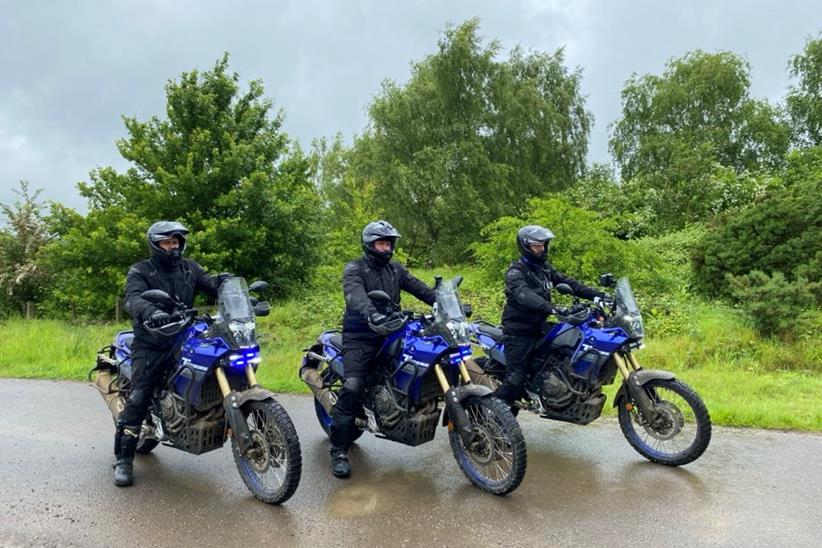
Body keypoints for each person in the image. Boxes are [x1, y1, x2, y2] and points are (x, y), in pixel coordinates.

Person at [113, 221, 228, 487]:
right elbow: (133, 299)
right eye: (167, 242)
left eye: (176, 242)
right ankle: (123, 459)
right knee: (139, 396)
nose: (172, 247)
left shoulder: (190, 268)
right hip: (152, 342)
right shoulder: (140, 271)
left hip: (184, 337)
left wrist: (230, 287)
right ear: (155, 244)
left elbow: (212, 285)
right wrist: (151, 312)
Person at [329, 220, 435, 478]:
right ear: (369, 244)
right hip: (361, 335)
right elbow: (355, 295)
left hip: (392, 329)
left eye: (389, 243)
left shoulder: (395, 269)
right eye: (381, 243)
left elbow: (419, 288)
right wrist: (371, 314)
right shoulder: (355, 268)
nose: (386, 248)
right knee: (353, 385)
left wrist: (441, 300)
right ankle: (339, 450)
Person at [495, 225, 607, 407]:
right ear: (525, 246)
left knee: (566, 347)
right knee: (515, 379)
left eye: (544, 245)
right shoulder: (516, 272)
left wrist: (598, 295)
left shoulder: (544, 268)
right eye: (537, 246)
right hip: (519, 332)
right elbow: (524, 295)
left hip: (539, 326)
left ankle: (556, 389)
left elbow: (568, 282)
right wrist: (553, 309)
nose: (541, 249)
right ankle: (489, 411)